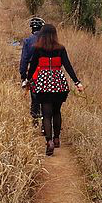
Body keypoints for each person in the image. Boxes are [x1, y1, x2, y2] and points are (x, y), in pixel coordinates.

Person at [24, 24, 84, 156]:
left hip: (44, 84)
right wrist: (77, 82)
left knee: (46, 114)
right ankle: (57, 139)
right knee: (57, 112)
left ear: (42, 35)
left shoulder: (37, 49)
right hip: (59, 83)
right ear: (55, 34)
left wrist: (27, 81)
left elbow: (33, 66)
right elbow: (68, 66)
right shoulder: (60, 48)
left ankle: (49, 141)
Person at [20, 17, 45, 133]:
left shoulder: (27, 41)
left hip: (34, 73)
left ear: (32, 29)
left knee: (35, 97)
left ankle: (35, 121)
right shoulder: (49, 41)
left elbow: (24, 60)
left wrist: (24, 76)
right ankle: (46, 122)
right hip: (48, 72)